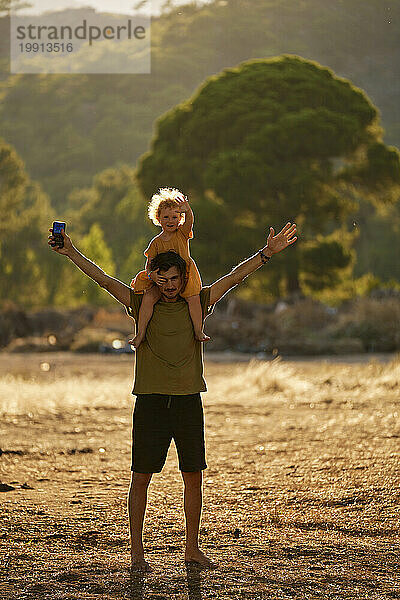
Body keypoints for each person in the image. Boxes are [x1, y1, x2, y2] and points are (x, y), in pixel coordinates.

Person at [48, 220, 297, 572]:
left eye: (174, 280)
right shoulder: (140, 304)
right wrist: (71, 251)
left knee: (193, 475)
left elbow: (234, 277)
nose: (168, 287)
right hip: (149, 401)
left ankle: (191, 549)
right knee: (141, 476)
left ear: (184, 279)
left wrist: (266, 255)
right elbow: (104, 280)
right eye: (161, 280)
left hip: (187, 401)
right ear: (152, 278)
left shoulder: (197, 303)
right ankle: (137, 554)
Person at [130, 188, 209, 348]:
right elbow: (150, 262)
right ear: (158, 218)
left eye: (175, 216)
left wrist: (188, 210)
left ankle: (198, 331)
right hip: (162, 279)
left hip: (184, 275)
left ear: (180, 218)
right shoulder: (156, 242)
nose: (170, 220)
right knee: (148, 298)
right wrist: (152, 275)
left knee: (193, 299)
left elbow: (190, 222)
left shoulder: (182, 234)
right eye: (166, 217)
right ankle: (140, 333)